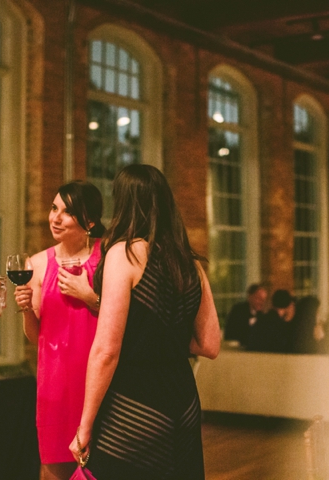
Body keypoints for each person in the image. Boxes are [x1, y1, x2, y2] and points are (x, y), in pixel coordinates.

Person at [69, 164, 221, 479]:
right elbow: (210, 344)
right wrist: (167, 341)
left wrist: (85, 425)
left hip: (134, 404)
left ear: (123, 203)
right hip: (184, 403)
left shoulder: (125, 254)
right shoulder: (191, 264)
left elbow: (106, 351)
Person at [13, 181, 105, 480]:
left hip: (99, 383)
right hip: (55, 387)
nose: (55, 217)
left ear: (89, 221)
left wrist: (91, 298)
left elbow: (126, 322)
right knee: (53, 471)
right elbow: (34, 335)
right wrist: (26, 308)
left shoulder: (108, 259)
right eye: (54, 208)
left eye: (66, 212)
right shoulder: (38, 264)